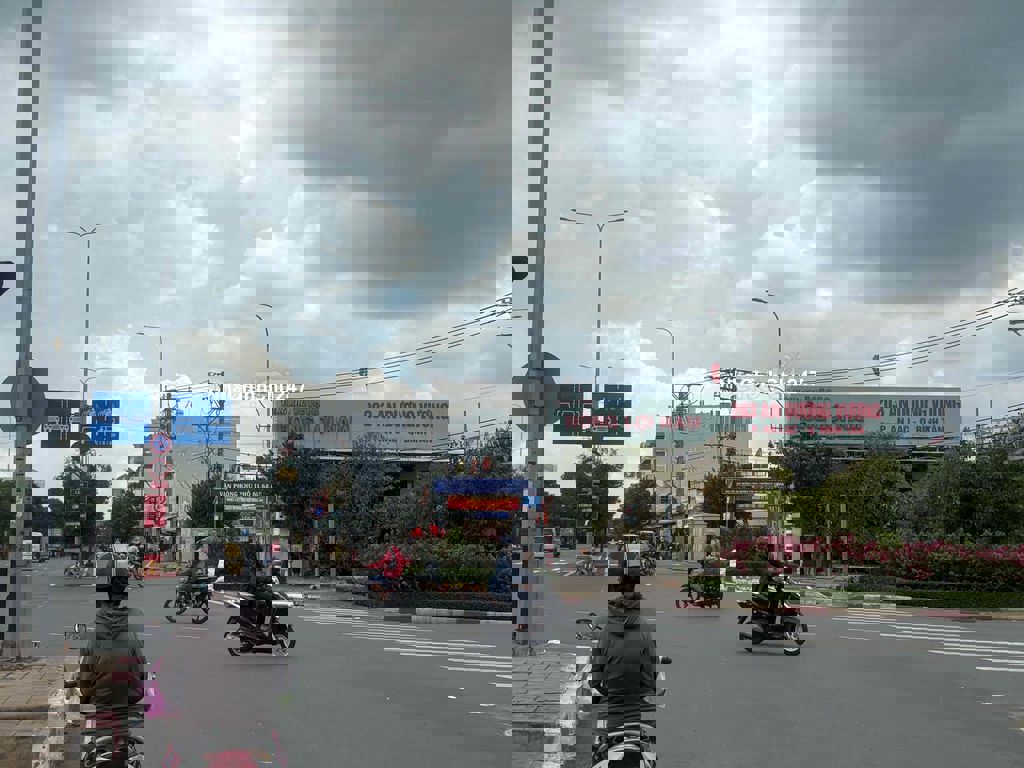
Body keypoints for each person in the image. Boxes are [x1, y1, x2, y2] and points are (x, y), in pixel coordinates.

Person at [73, 551, 147, 761]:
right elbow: (140, 680)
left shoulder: (93, 635)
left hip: (99, 713)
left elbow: (84, 686)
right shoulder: (131, 634)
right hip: (125, 712)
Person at [590, 553, 659, 744]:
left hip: (612, 689)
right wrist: (649, 686)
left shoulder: (607, 627)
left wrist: (596, 684)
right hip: (636, 690)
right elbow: (650, 664)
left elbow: (599, 659)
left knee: (607, 731)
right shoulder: (644, 627)